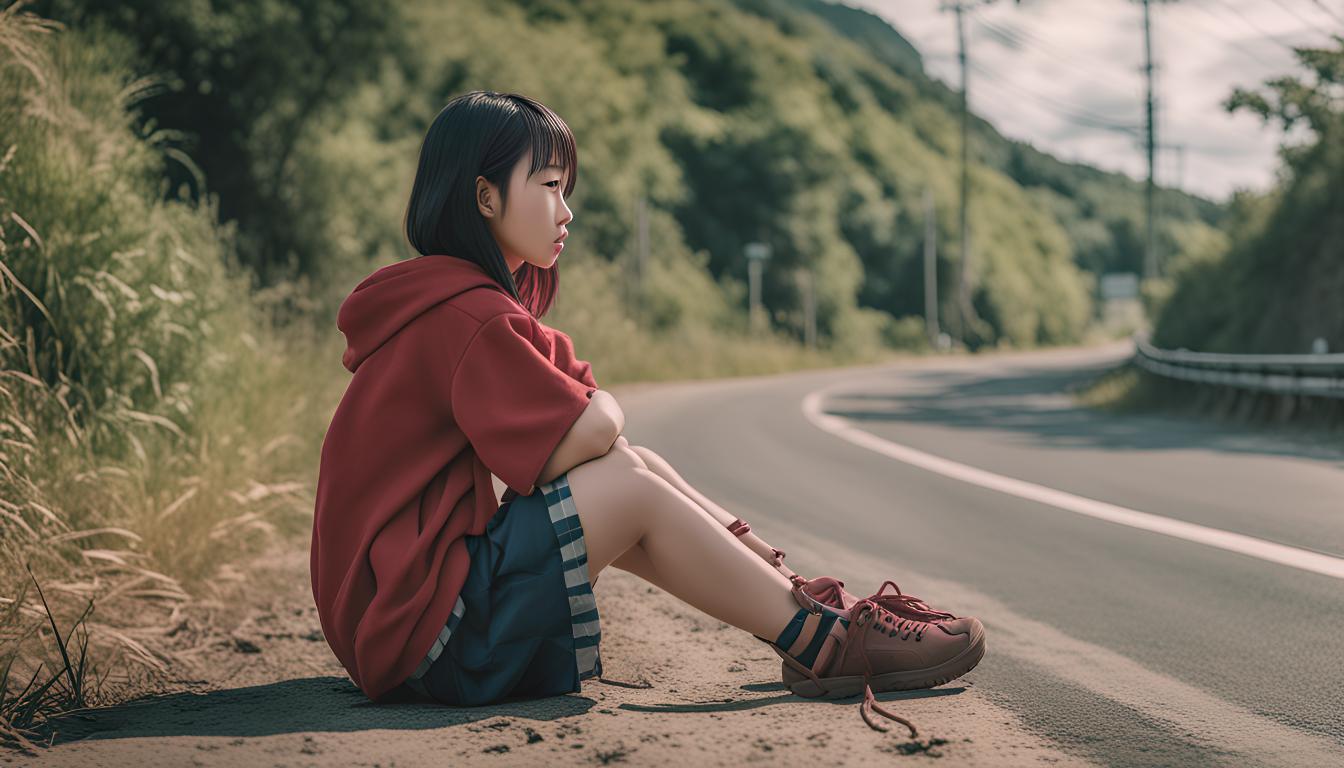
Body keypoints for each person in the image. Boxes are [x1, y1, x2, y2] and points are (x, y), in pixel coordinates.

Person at [310, 90, 985, 738]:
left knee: (634, 469)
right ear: (485, 196)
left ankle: (803, 604)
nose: (566, 210)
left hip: (404, 630)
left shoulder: (450, 302)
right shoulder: (467, 317)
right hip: (430, 637)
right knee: (625, 481)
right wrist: (605, 407)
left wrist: (599, 418)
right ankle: (829, 643)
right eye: (548, 187)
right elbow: (576, 440)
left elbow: (583, 427)